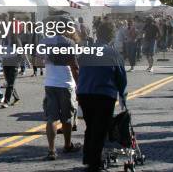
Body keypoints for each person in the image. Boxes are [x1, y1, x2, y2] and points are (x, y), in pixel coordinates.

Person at [77, 17, 127, 172]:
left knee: (90, 126)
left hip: (85, 93)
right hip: (104, 94)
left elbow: (82, 70)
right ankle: (94, 163)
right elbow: (121, 77)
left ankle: (88, 157)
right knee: (100, 128)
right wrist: (122, 94)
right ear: (111, 36)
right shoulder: (113, 54)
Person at [40, 16, 81, 161]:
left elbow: (40, 59)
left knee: (51, 118)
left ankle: (51, 150)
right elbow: (74, 67)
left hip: (50, 83)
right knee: (67, 118)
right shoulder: (70, 43)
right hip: (65, 83)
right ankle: (67, 145)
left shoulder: (45, 42)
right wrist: (79, 85)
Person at [0, 30, 23, 108]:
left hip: (13, 63)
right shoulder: (3, 40)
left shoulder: (16, 40)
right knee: (9, 82)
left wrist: (17, 62)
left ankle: (6, 101)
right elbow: (0, 50)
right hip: (5, 62)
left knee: (10, 83)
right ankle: (16, 98)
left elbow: (20, 52)